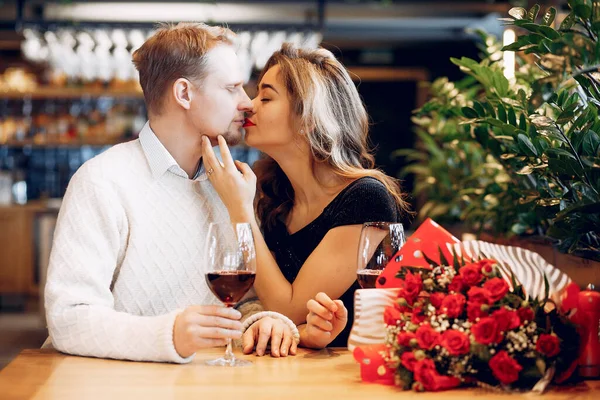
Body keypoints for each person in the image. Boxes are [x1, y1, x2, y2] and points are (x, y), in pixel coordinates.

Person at [44, 23, 323, 363]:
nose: (247, 103)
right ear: (184, 94)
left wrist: (260, 319)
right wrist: (170, 334)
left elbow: (241, 298)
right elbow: (68, 318)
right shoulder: (102, 180)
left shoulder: (231, 186)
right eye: (232, 88)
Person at [202, 43, 410, 348]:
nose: (249, 105)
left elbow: (287, 308)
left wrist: (238, 207)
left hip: (353, 377)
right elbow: (261, 301)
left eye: (266, 97)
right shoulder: (277, 199)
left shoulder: (366, 199)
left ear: (309, 117)